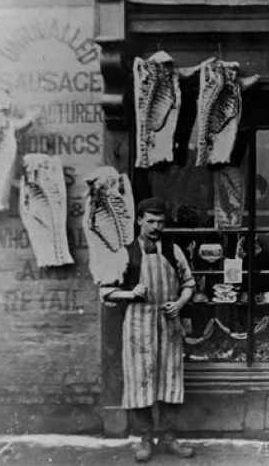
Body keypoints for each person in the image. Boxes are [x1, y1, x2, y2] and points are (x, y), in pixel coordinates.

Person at [99, 197, 196, 463]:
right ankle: (144, 438)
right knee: (141, 380)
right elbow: (105, 292)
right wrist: (131, 292)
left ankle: (168, 437)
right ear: (139, 220)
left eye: (160, 222)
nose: (155, 227)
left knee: (170, 380)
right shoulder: (125, 252)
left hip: (168, 321)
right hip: (138, 323)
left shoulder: (173, 250)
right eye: (150, 221)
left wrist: (178, 303)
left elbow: (189, 284)